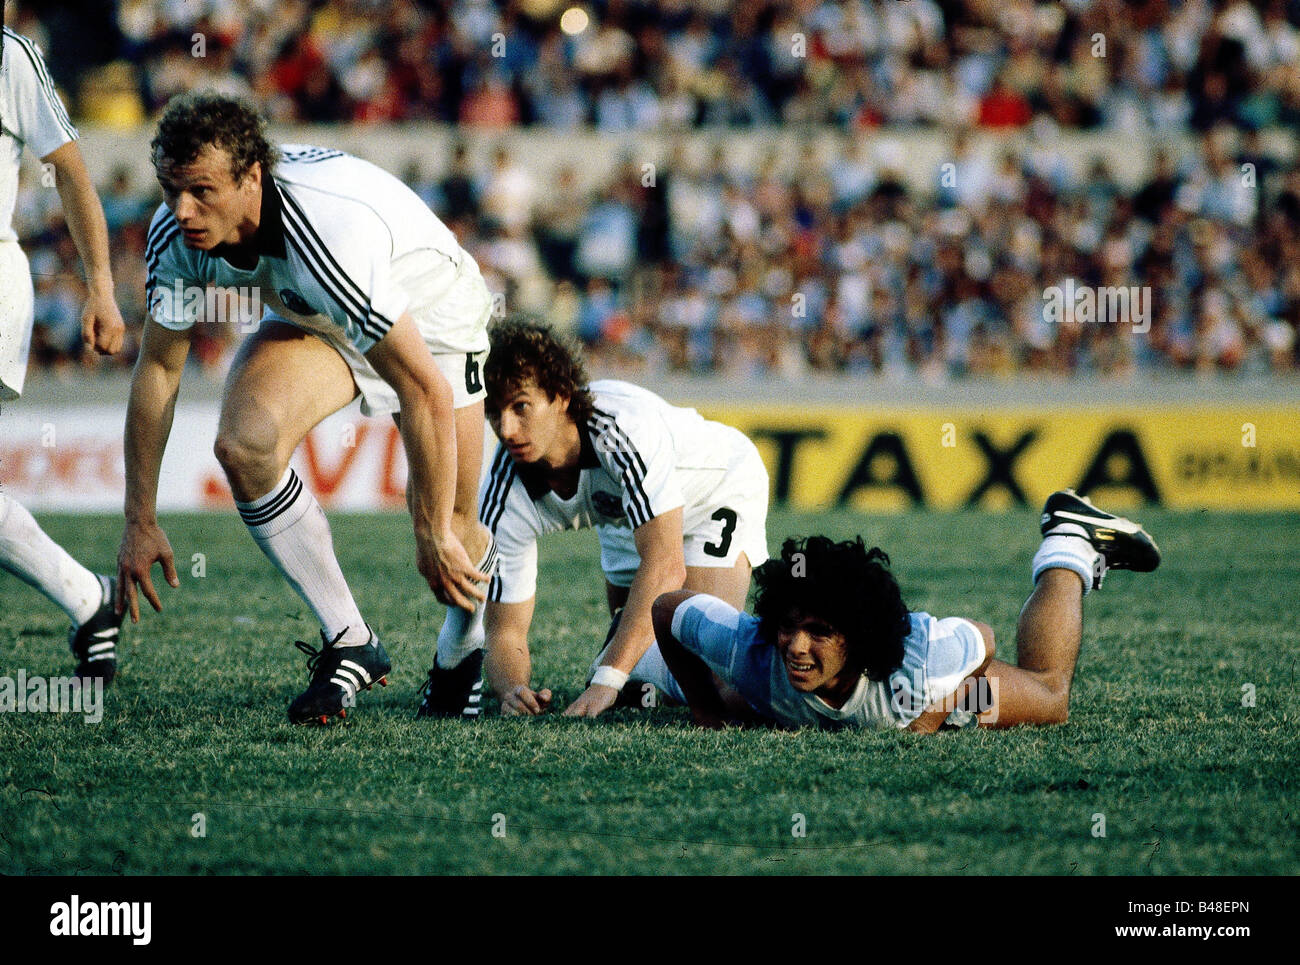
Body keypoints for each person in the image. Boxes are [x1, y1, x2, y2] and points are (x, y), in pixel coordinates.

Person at [117, 90, 495, 724]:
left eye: (202, 191)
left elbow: (422, 386)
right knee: (244, 446)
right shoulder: (174, 235)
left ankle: (462, 653)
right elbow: (158, 369)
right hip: (319, 313)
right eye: (170, 189)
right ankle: (351, 641)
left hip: (433, 316)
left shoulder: (321, 226)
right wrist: (139, 516)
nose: (182, 210)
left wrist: (427, 531)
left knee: (453, 529)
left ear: (252, 178)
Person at [419, 318, 769, 719]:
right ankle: (633, 668)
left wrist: (607, 681)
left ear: (562, 395)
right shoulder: (505, 487)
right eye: (495, 412)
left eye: (521, 406)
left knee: (705, 671)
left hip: (715, 489)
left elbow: (666, 566)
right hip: (627, 514)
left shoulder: (621, 432)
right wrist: (511, 689)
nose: (507, 429)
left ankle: (778, 674)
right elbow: (505, 630)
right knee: (639, 645)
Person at [652, 490, 1161, 731]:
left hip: (951, 689)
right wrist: (705, 708)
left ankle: (1069, 541)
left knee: (1050, 700)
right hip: (815, 700)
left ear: (859, 636)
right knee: (740, 701)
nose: (797, 645)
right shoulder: (753, 651)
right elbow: (667, 608)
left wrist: (928, 716)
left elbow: (983, 638)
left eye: (820, 632)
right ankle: (640, 678)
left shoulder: (919, 665)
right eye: (788, 626)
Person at [0, 25, 127, 682]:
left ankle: (91, 597)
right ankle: (89, 596)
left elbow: (72, 172)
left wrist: (101, 286)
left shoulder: (9, 55)